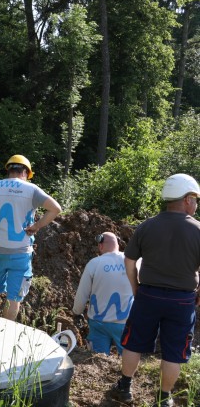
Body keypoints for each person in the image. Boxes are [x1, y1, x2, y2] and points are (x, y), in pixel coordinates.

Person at [110, 173, 200, 407]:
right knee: (173, 352)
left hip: (148, 295)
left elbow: (129, 262)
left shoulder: (147, 226)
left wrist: (136, 288)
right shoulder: (198, 230)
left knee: (134, 342)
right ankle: (164, 398)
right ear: (188, 199)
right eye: (196, 199)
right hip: (182, 300)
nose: (197, 204)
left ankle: (125, 387)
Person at [0, 154, 61, 321]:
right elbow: (56, 209)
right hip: (20, 252)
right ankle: (6, 333)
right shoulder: (31, 190)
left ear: (8, 170)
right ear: (25, 172)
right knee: (14, 297)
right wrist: (36, 226)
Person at [72, 232, 133, 355]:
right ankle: (127, 374)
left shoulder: (94, 263)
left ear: (100, 246)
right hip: (125, 323)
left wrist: (77, 312)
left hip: (98, 323)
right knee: (129, 357)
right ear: (118, 245)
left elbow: (82, 293)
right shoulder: (133, 261)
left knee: (97, 360)